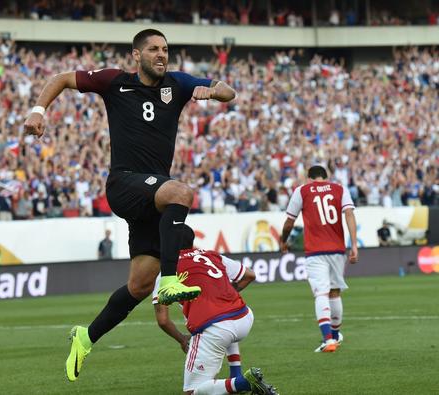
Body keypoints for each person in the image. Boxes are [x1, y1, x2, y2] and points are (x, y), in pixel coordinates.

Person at [23, 29, 236, 381]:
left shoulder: (179, 84)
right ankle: (170, 281)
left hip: (150, 197)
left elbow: (229, 90)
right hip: (124, 183)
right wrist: (38, 111)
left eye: (165, 49)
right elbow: (61, 78)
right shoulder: (114, 82)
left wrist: (213, 91)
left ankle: (85, 337)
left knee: (138, 286)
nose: (161, 55)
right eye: (153, 49)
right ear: (136, 55)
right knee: (181, 193)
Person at [152, 225, 277, 395]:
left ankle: (245, 383)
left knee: (193, 391)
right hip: (244, 317)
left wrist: (182, 339)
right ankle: (236, 375)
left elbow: (162, 319)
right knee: (224, 317)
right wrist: (224, 296)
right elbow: (249, 275)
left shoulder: (167, 271)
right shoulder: (211, 255)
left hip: (215, 328)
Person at [280, 165, 358, 353]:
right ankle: (335, 334)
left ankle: (328, 339)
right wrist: (354, 244)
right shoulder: (340, 189)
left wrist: (283, 241)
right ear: (326, 176)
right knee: (334, 293)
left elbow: (290, 221)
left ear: (309, 178)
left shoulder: (302, 191)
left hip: (315, 251)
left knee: (321, 294)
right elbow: (349, 214)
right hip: (337, 250)